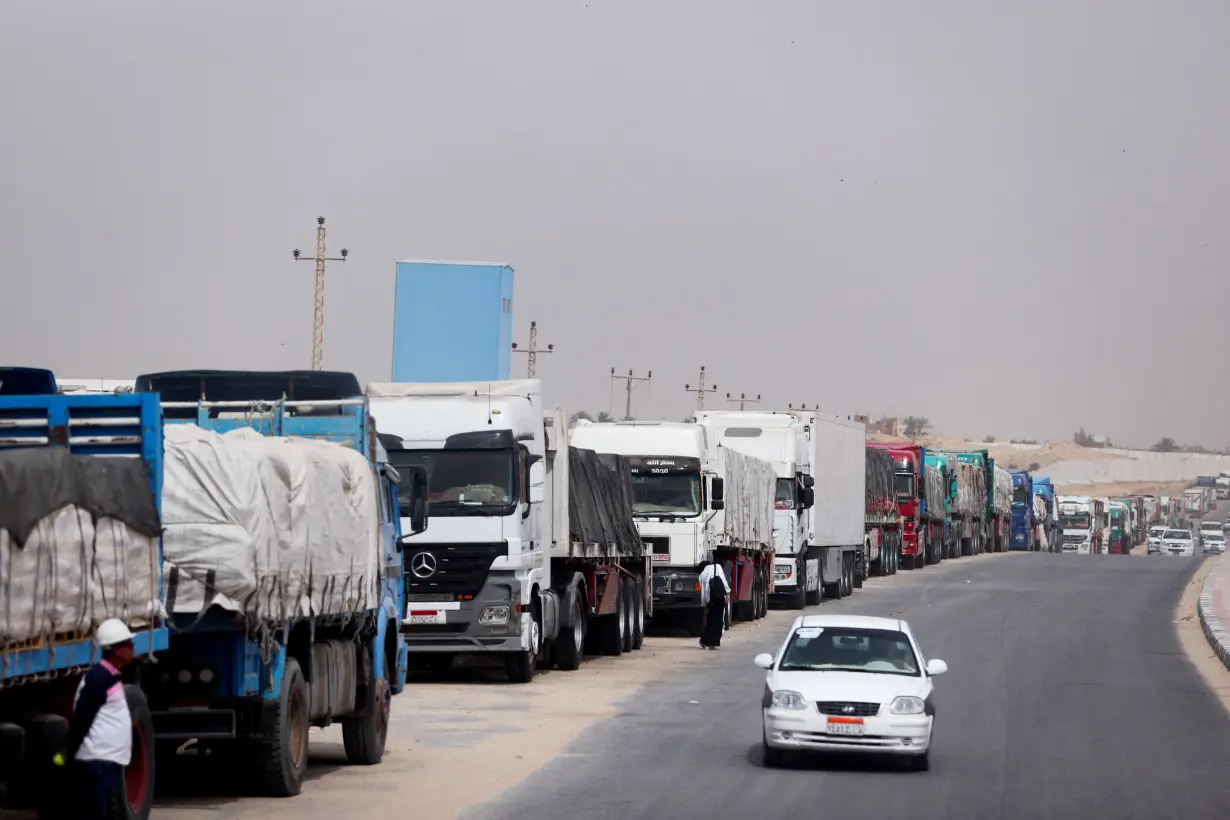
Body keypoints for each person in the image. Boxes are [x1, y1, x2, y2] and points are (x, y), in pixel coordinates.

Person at [53, 618, 136, 819]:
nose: (133, 647)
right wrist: (65, 753)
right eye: (128, 644)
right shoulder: (98, 679)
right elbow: (82, 718)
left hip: (108, 762)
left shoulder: (109, 676)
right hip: (97, 764)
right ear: (116, 650)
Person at [697, 559, 730, 650]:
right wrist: (727, 593)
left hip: (711, 599)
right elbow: (723, 581)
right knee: (719, 620)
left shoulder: (702, 575)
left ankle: (705, 641)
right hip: (720, 597)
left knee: (711, 621)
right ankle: (713, 643)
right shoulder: (718, 567)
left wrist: (704, 604)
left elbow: (704, 591)